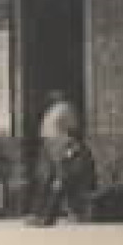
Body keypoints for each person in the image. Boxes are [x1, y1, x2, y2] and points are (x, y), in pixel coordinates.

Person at [30, 92, 79, 225]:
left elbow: (72, 128)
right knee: (48, 179)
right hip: (51, 143)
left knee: (56, 179)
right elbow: (72, 128)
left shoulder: (64, 108)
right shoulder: (54, 110)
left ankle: (47, 216)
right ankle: (41, 215)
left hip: (58, 143)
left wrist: (70, 146)